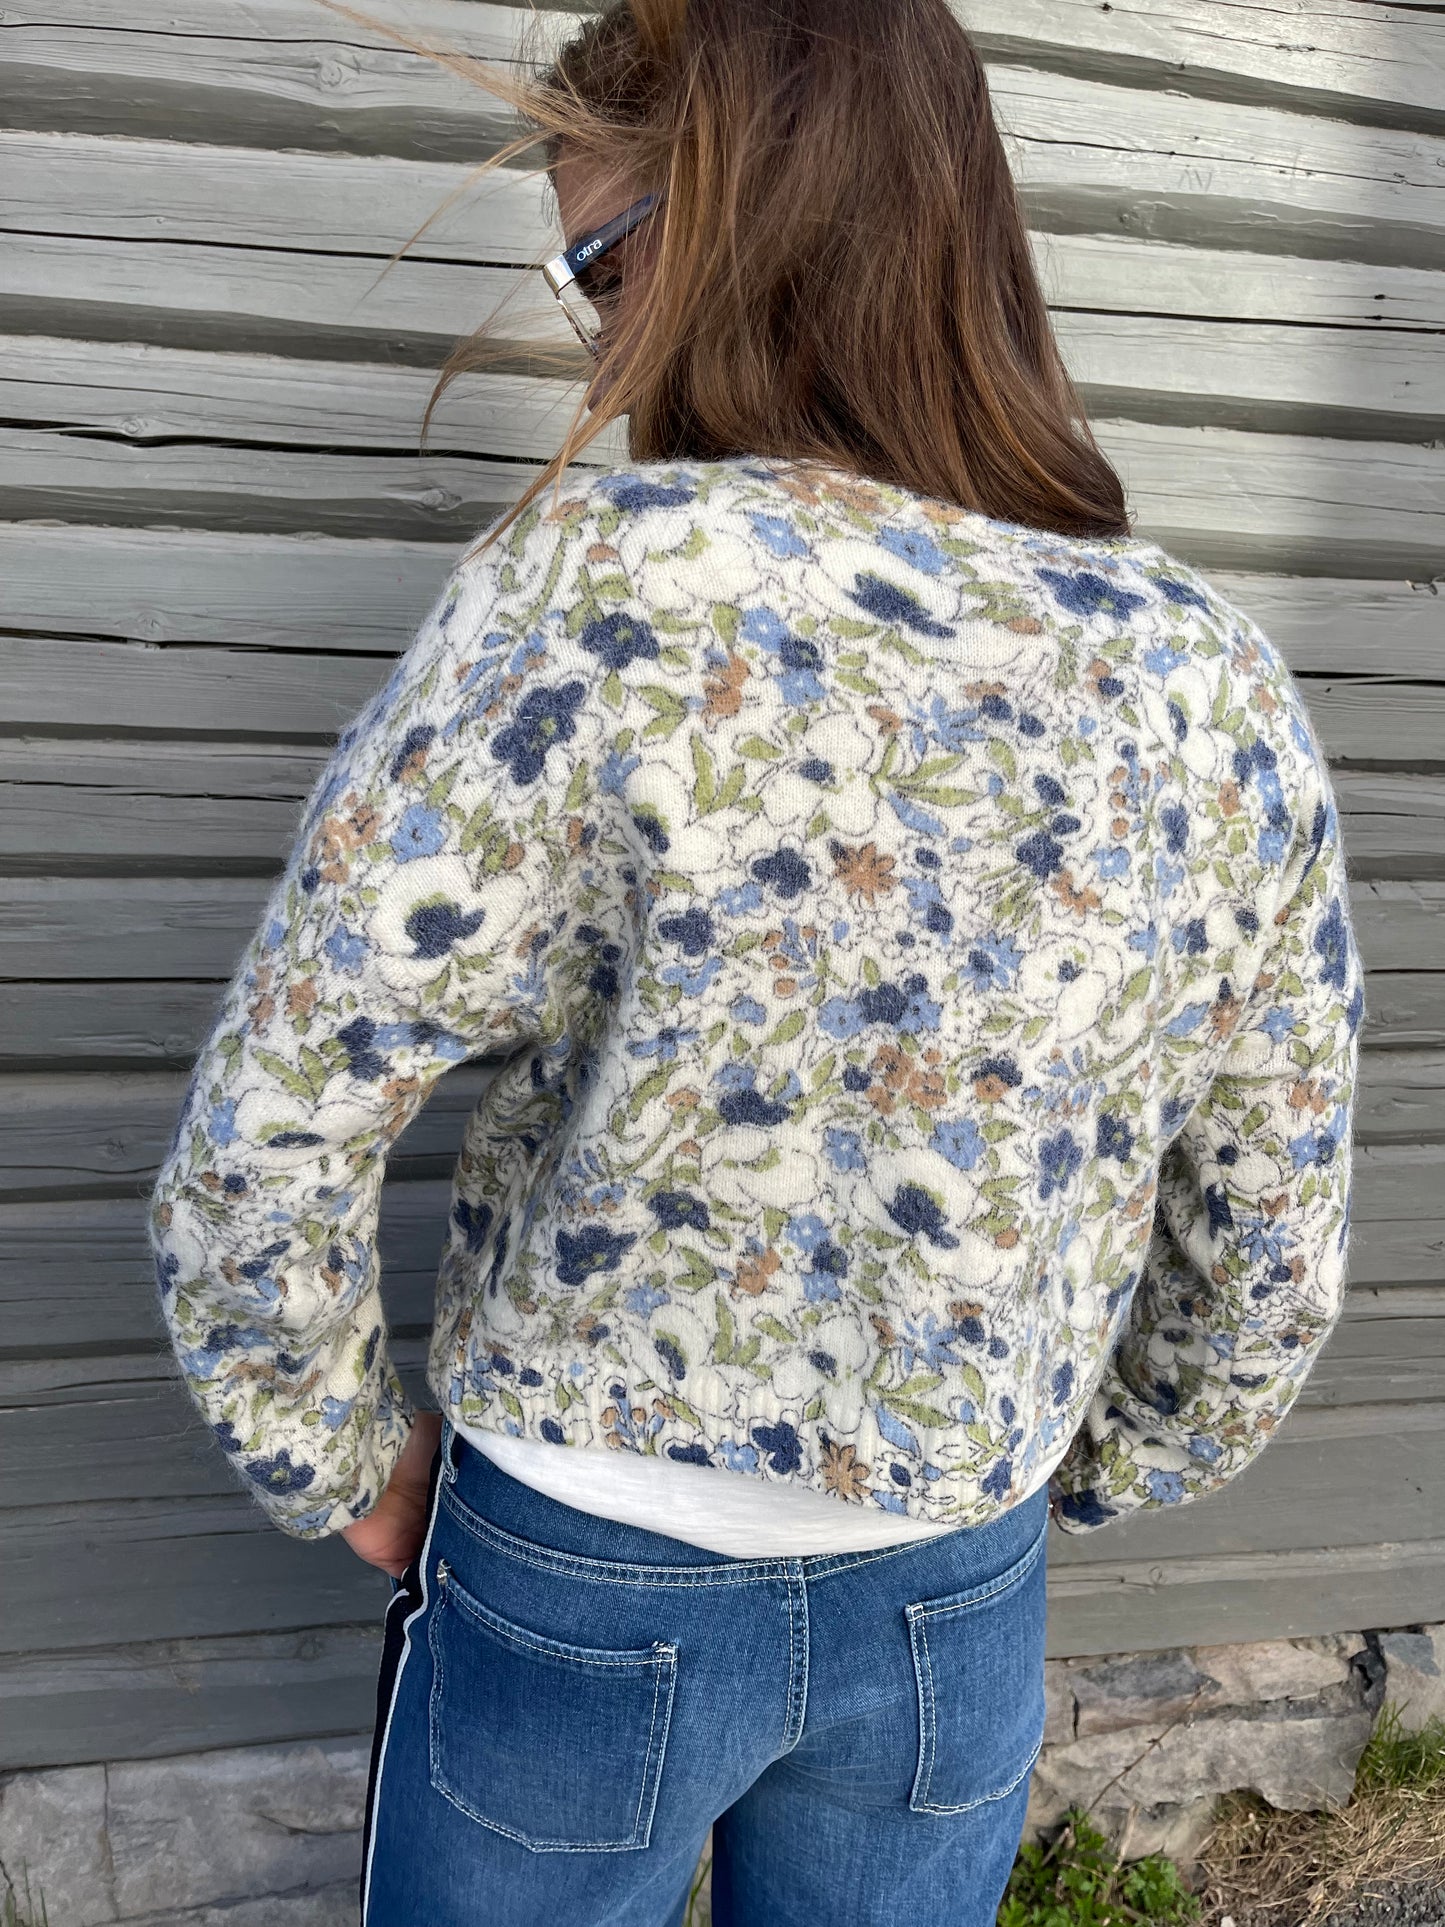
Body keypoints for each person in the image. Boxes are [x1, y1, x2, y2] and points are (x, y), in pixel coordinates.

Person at [147, 1, 1363, 1921]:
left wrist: (338, 1455)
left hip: (586, 1567)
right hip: (954, 1578)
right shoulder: (1198, 670)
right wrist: (1103, 1463)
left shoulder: (594, 590)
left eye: (598, 262)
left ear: (726, 234)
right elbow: (1268, 1235)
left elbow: (267, 1136)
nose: (596, 334)